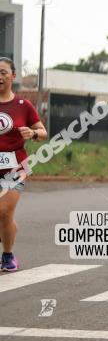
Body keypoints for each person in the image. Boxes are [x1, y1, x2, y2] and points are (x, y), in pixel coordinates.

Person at [0, 57, 48, 272]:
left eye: (3, 72)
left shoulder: (23, 105)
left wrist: (33, 133)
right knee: (4, 216)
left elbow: (43, 133)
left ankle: (7, 255)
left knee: (3, 210)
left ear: (13, 76)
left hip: (15, 167)